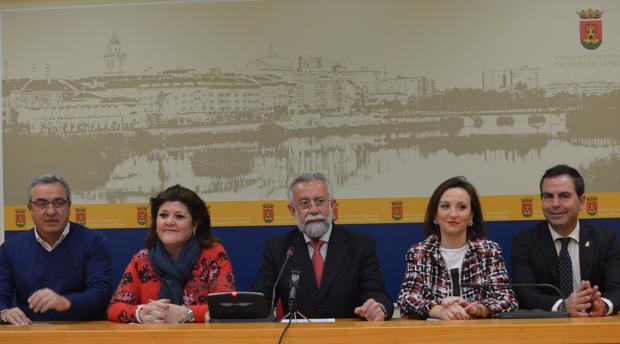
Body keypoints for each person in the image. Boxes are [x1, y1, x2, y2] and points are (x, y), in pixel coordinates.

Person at [252, 173, 393, 321]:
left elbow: (376, 292)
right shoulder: (278, 249)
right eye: (304, 203)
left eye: (319, 201)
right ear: (293, 210)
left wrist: (377, 307)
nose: (313, 210)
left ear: (332, 205)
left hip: (347, 337)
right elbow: (262, 300)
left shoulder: (360, 245)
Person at [107, 185, 236, 323]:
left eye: (179, 216)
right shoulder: (142, 259)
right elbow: (115, 307)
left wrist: (187, 314)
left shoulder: (213, 255)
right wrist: (141, 313)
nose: (169, 222)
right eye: (163, 215)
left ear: (195, 224)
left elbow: (226, 306)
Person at [398, 176, 517, 319]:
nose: (453, 214)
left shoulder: (489, 251)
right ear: (435, 214)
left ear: (472, 214)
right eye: (445, 206)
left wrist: (475, 308)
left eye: (462, 207)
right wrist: (438, 310)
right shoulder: (419, 252)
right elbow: (407, 299)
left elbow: (508, 300)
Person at [0, 175, 113, 325]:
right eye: (41, 203)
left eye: (59, 203)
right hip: (31, 332)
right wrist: (4, 312)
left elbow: (101, 294)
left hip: (82, 332)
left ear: (69, 207)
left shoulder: (94, 242)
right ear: (30, 209)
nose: (51, 211)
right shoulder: (10, 249)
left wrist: (65, 302)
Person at [511, 164, 620, 316]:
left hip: (594, 326)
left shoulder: (605, 239)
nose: (555, 204)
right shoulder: (524, 242)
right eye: (548, 197)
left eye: (564, 196)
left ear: (582, 201)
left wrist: (603, 305)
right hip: (547, 332)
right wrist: (563, 305)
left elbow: (617, 289)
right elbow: (524, 294)